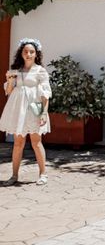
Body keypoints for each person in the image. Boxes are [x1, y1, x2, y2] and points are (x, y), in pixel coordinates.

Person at [0, 38, 52, 186]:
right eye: (25, 51)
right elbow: (9, 91)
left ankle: (43, 174)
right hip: (18, 109)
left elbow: (45, 94)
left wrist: (43, 113)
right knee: (18, 143)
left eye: (31, 51)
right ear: (21, 53)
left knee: (36, 142)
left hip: (35, 107)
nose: (28, 54)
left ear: (36, 54)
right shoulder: (16, 70)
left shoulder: (40, 71)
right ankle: (14, 175)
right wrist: (9, 79)